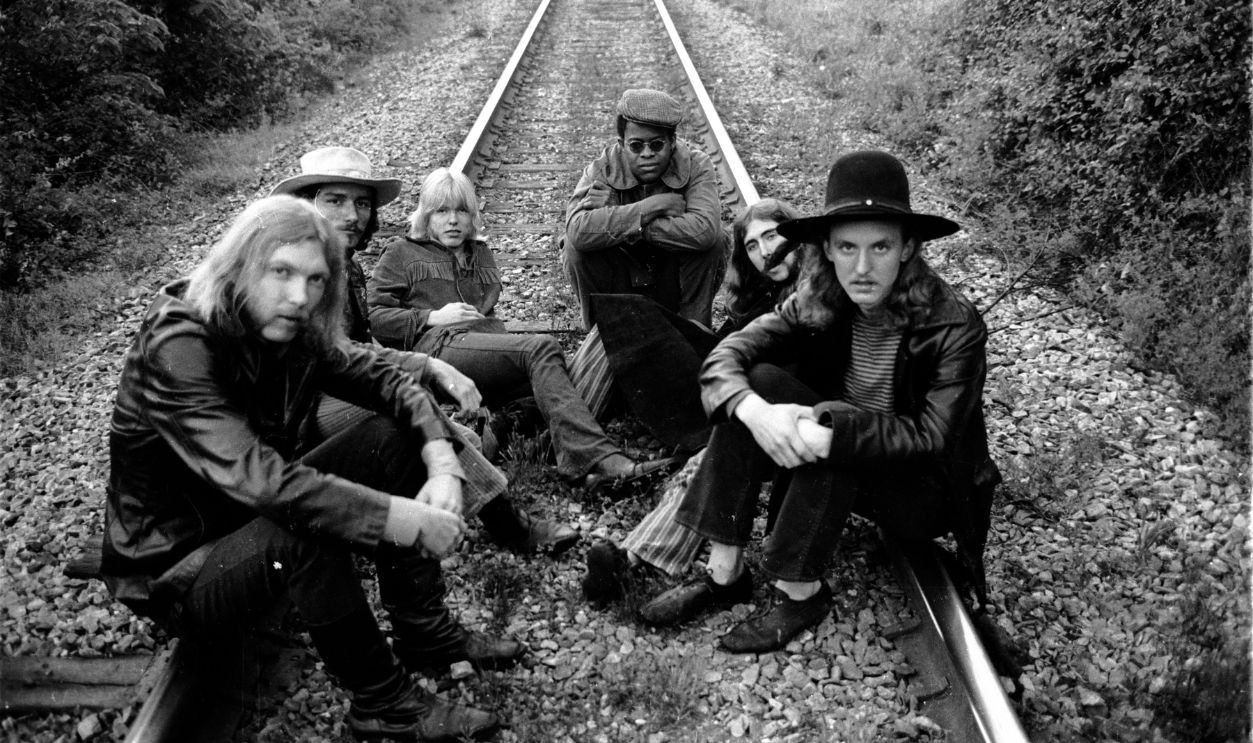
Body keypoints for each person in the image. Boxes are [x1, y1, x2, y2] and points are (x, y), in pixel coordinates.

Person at [101, 195, 504, 742]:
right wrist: (401, 520)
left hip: (241, 526)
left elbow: (386, 381)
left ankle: (425, 633)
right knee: (305, 527)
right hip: (179, 566)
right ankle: (383, 704)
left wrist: (440, 462)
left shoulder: (283, 321)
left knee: (393, 435)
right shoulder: (180, 341)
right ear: (240, 265)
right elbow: (262, 480)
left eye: (316, 280)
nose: (299, 296)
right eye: (282, 272)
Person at [641, 151, 1000, 654]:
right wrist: (756, 412)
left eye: (880, 248)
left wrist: (827, 430)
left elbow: (932, 438)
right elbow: (728, 355)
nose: (862, 267)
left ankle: (800, 590)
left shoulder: (953, 323)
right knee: (761, 381)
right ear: (827, 250)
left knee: (833, 417)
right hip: (847, 460)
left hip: (920, 494)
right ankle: (725, 573)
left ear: (909, 248)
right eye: (847, 247)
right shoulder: (820, 296)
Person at [269, 146, 577, 555]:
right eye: (335, 201)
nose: (352, 215)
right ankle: (511, 527)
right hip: (303, 411)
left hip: (334, 391)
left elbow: (358, 347)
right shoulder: (295, 270)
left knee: (457, 433)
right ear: (306, 206)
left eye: (361, 203)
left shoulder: (346, 265)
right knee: (417, 410)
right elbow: (335, 358)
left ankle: (439, 505)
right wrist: (425, 363)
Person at [367, 167, 670, 489]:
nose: (452, 220)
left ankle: (511, 441)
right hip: (440, 348)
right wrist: (430, 317)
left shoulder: (480, 254)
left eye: (461, 211)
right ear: (426, 216)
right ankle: (595, 459)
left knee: (559, 378)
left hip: (480, 349)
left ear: (472, 217)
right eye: (441, 211)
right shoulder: (401, 252)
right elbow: (372, 317)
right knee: (541, 349)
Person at [575, 198, 805, 605]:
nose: (766, 251)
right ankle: (568, 436)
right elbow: (728, 347)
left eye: (772, 235)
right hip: (729, 388)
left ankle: (632, 561)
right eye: (752, 246)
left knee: (714, 455)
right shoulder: (760, 295)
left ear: (798, 235)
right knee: (625, 316)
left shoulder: (816, 292)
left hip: (769, 410)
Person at [561, 88, 729, 330]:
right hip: (620, 278)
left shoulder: (696, 165)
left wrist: (621, 216)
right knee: (575, 248)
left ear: (672, 142)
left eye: (657, 144)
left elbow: (704, 231)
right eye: (636, 146)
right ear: (622, 145)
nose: (647, 153)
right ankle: (600, 333)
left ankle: (694, 330)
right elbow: (578, 231)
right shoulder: (602, 168)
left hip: (672, 274)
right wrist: (650, 207)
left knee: (716, 241)